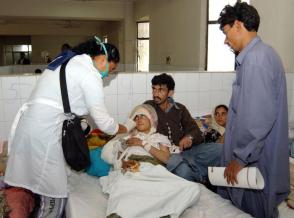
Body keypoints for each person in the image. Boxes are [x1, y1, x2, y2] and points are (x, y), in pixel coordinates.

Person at [4, 37, 128, 218]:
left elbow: (68, 102)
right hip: (44, 130)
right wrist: (121, 128)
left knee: (39, 183)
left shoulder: (68, 61)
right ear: (102, 59)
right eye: (111, 69)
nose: (108, 74)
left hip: (33, 124)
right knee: (54, 194)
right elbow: (102, 121)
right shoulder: (89, 73)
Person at [217, 2, 289, 218]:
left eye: (226, 32)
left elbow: (257, 119)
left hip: (254, 162)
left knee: (255, 208)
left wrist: (239, 158)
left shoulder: (257, 59)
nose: (225, 39)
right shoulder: (259, 55)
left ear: (238, 25)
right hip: (252, 157)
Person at [100, 104, 200, 218]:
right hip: (132, 171)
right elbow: (113, 158)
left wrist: (143, 144)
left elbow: (166, 159)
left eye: (142, 116)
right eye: (136, 117)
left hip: (154, 171)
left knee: (192, 189)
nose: (138, 120)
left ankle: (166, 213)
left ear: (151, 119)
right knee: (124, 188)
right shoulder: (127, 139)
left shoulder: (159, 138)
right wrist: (123, 163)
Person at [145, 73, 222, 183]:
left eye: (161, 90)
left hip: (187, 151)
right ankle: (202, 177)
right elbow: (136, 120)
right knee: (184, 172)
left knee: (220, 149)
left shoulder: (180, 109)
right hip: (168, 154)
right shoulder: (148, 107)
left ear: (170, 92)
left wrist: (189, 137)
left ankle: (198, 173)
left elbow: (195, 130)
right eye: (154, 89)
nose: (155, 93)